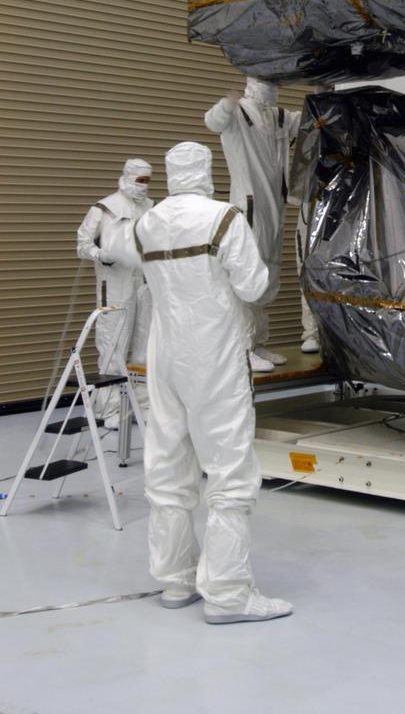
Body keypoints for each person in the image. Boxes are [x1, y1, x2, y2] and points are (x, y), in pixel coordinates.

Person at [102, 141, 293, 624]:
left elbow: (113, 247)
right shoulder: (224, 218)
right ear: (206, 171)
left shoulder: (146, 223)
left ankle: (175, 581)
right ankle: (229, 595)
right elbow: (252, 286)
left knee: (167, 461)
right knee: (228, 469)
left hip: (164, 355)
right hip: (214, 353)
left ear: (167, 175)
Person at [204, 78, 301, 371]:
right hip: (249, 207)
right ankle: (242, 348)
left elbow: (312, 121)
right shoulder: (238, 113)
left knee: (267, 275)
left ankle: (258, 342)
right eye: (266, 83)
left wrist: (324, 94)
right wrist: (226, 103)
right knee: (247, 275)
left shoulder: (279, 117)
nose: (272, 89)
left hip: (275, 208)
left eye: (275, 83)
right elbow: (212, 122)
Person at [76, 158, 153, 424]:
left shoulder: (151, 208)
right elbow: (82, 243)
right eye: (139, 180)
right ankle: (109, 409)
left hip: (145, 283)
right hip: (115, 283)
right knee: (113, 344)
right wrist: (100, 254)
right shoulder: (105, 208)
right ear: (127, 176)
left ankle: (143, 405)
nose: (143, 186)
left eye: (147, 181)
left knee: (144, 345)